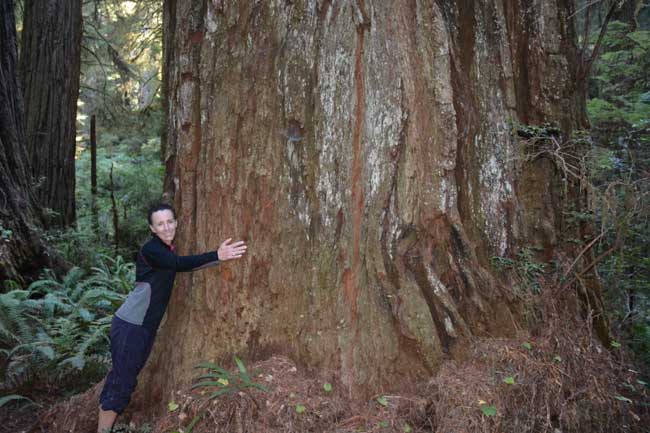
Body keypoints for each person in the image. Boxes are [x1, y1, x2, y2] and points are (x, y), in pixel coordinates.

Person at [97, 203, 247, 432]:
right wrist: (217, 254)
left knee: (123, 378)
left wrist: (218, 259)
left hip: (143, 327)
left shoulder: (166, 250)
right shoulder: (152, 249)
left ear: (176, 222)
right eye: (160, 224)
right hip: (131, 326)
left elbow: (182, 266)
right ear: (152, 228)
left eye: (169, 222)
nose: (166, 227)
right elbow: (179, 265)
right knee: (121, 384)